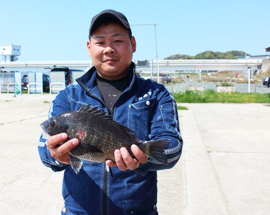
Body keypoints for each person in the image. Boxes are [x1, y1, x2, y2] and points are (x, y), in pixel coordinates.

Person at [38, 9, 183, 215]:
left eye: (117, 41)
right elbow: (43, 148)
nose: (109, 49)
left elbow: (173, 147)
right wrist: (54, 154)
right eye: (100, 42)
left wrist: (143, 157)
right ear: (89, 48)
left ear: (133, 44)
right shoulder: (67, 97)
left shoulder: (156, 94)